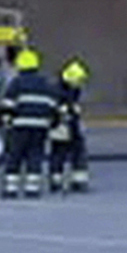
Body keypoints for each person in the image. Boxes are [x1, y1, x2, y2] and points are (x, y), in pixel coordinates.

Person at [0, 48, 59, 199]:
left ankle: (11, 189)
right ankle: (32, 188)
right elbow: (54, 107)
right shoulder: (46, 83)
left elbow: (7, 106)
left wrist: (5, 121)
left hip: (19, 127)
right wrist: (52, 124)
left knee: (15, 156)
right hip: (40, 127)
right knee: (35, 156)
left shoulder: (16, 83)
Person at [47, 57, 91, 195]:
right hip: (59, 125)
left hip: (72, 124)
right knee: (58, 154)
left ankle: (79, 181)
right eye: (78, 81)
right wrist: (66, 110)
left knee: (79, 152)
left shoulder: (74, 89)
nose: (80, 84)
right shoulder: (56, 90)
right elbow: (53, 108)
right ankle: (56, 181)